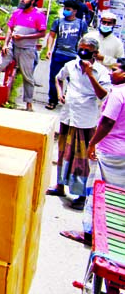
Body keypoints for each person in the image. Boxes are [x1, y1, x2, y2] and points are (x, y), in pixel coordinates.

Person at [60, 57, 125, 246]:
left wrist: (93, 143)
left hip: (108, 150)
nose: (111, 73)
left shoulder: (117, 94)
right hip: (121, 153)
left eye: (115, 70)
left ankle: (89, 232)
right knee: (117, 193)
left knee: (96, 190)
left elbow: (107, 122)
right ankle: (112, 229)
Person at [46, 36, 111, 211]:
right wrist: (60, 93)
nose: (82, 52)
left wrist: (90, 74)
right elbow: (58, 78)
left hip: (85, 119)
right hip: (68, 116)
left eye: (87, 50)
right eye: (80, 48)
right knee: (63, 153)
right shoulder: (70, 66)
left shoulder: (102, 72)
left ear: (95, 54)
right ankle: (60, 185)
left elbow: (104, 96)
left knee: (82, 159)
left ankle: (81, 194)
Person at [43, 0, 89, 110]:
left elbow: (85, 39)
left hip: (73, 56)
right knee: (54, 78)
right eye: (65, 9)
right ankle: (52, 100)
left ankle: (68, 100)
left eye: (68, 10)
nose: (65, 11)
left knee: (73, 80)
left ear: (75, 11)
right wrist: (49, 49)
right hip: (58, 54)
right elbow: (51, 36)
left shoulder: (81, 24)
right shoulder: (58, 22)